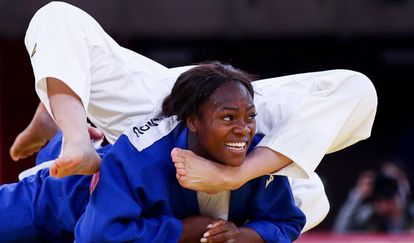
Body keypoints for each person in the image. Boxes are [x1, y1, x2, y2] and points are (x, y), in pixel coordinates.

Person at [9, 1, 376, 233]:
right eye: (235, 118)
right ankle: (71, 127)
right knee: (55, 16)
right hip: (153, 101)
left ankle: (65, 103)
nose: (243, 126)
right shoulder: (253, 111)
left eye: (245, 118)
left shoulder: (259, 118)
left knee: (315, 196)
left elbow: (357, 91)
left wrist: (235, 176)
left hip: (219, 121)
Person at [75, 62, 305, 242]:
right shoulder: (139, 156)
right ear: (193, 121)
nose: (244, 130)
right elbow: (97, 236)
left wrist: (240, 236)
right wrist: (181, 231)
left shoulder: (257, 152)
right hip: (58, 201)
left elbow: (287, 221)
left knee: (312, 192)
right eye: (228, 118)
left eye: (250, 117)